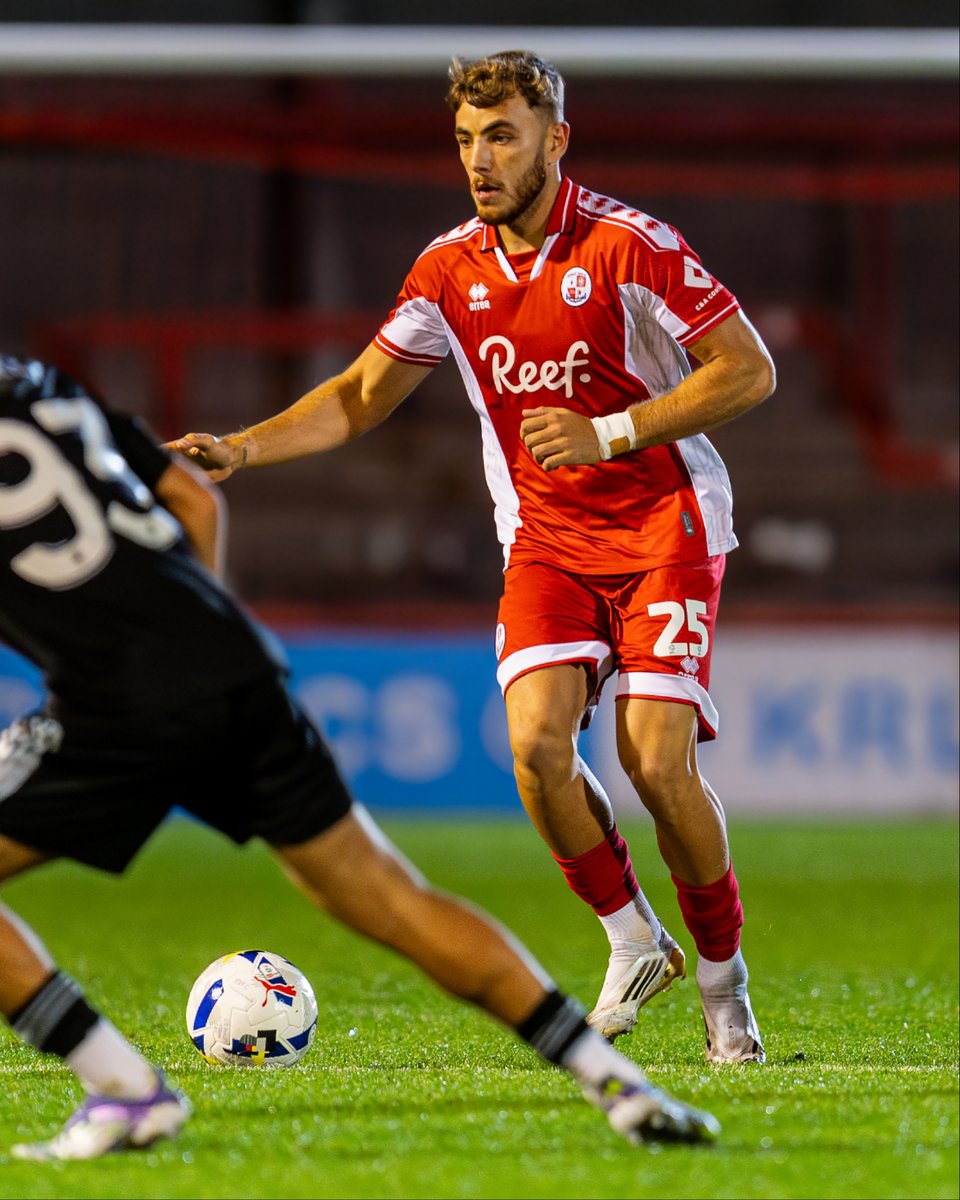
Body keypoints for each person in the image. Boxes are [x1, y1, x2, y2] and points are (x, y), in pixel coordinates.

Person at [171, 50, 775, 1065]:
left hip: (663, 527)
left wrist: (610, 432)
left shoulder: (632, 247)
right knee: (535, 749)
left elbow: (748, 371)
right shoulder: (448, 270)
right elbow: (360, 395)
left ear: (555, 140)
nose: (480, 160)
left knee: (655, 763)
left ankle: (727, 995)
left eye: (501, 135)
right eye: (465, 139)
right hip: (545, 540)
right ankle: (634, 940)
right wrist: (241, 448)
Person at [0, 354, 719, 1162]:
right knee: (393, 899)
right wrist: (196, 644)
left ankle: (127, 1091)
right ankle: (618, 1084)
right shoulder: (43, 386)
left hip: (115, 704)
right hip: (235, 669)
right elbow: (194, 499)